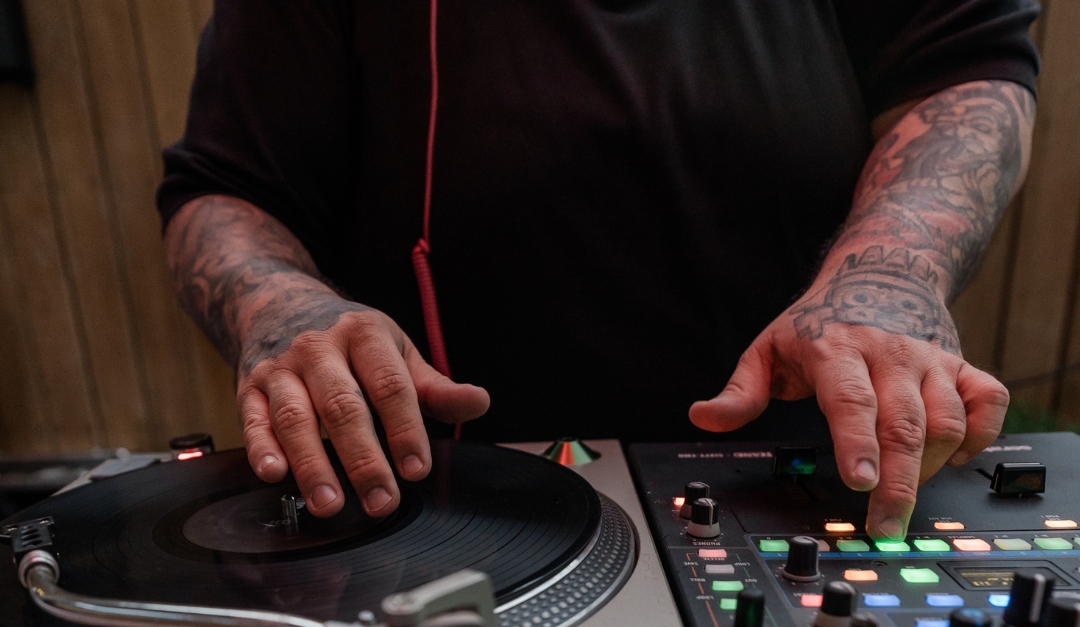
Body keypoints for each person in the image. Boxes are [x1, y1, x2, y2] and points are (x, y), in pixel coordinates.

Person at [158, 0, 1039, 538]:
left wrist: (888, 277)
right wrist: (281, 310)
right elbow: (227, 187)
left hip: (816, 476)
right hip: (434, 505)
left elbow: (964, 71)